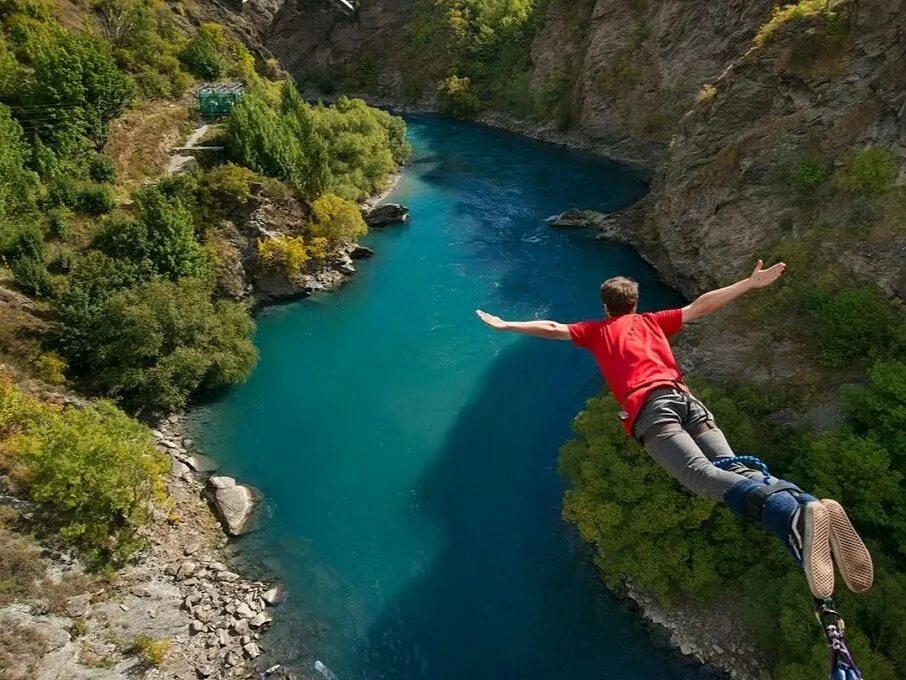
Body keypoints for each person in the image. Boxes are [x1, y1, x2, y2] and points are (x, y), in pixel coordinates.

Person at [475, 260, 873, 599]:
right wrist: (749, 284)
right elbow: (701, 306)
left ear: (605, 307)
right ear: (635, 302)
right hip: (687, 400)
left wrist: (507, 325)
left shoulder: (597, 331)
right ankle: (804, 502)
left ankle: (790, 516)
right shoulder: (652, 321)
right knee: (733, 468)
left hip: (650, 409)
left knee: (700, 476)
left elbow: (552, 327)